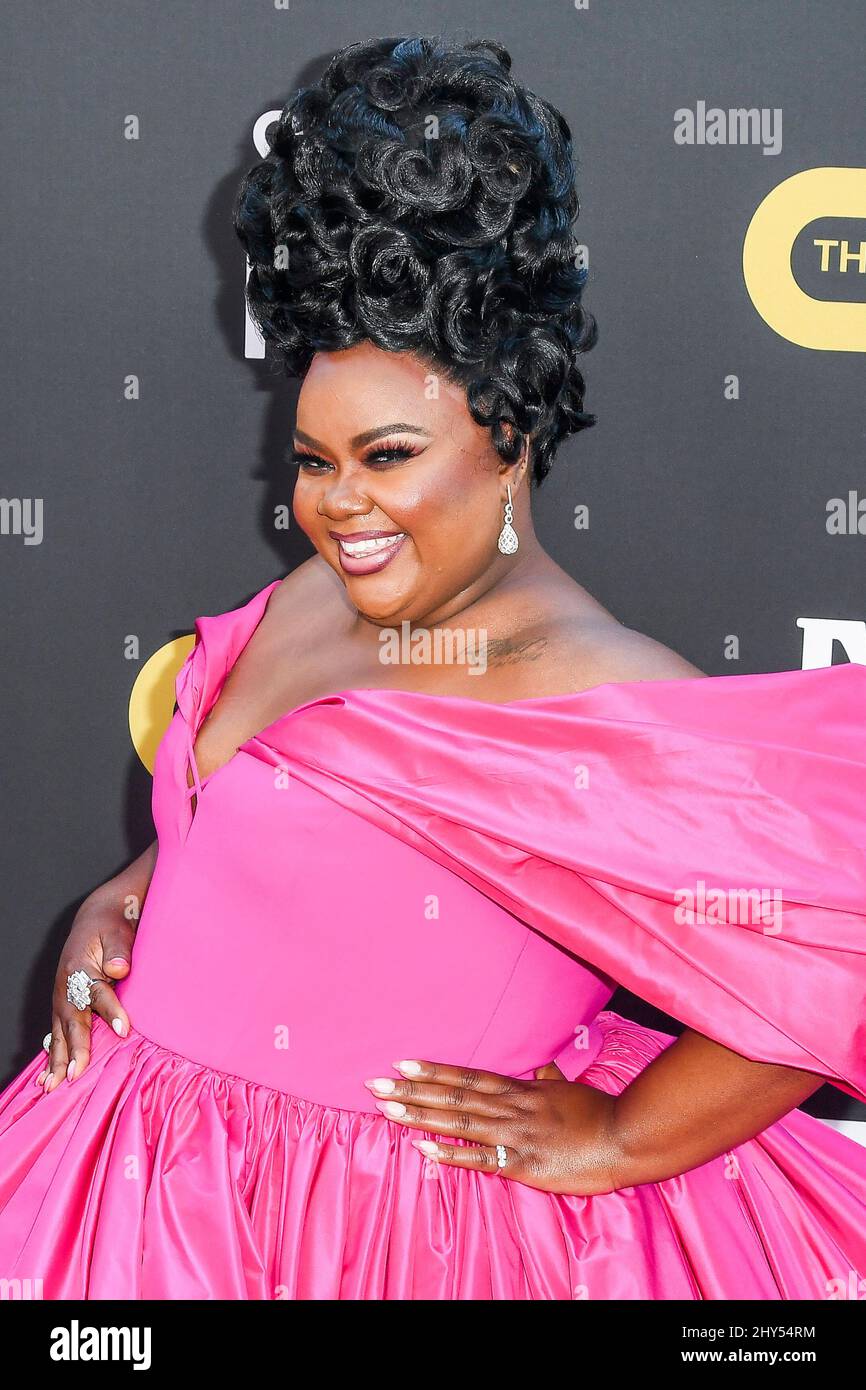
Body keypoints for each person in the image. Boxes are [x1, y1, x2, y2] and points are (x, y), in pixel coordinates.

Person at [2, 33, 865, 1300]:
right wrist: (139, 890)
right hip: (129, 1185)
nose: (337, 506)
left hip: (374, 1236)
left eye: (388, 455)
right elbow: (275, 812)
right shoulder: (317, 591)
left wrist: (620, 1137)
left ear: (509, 437)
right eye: (312, 458)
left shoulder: (594, 690)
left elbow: (830, 937)